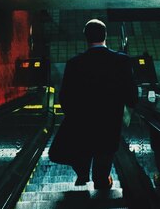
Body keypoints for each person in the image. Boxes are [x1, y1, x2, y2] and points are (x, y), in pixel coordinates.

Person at [48, 19, 138, 189]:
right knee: (105, 151)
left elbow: (65, 95)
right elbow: (131, 93)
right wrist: (128, 109)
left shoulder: (74, 63)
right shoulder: (122, 61)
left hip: (83, 119)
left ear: (86, 38)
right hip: (111, 119)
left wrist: (74, 114)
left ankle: (82, 175)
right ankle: (101, 181)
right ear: (106, 36)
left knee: (83, 146)